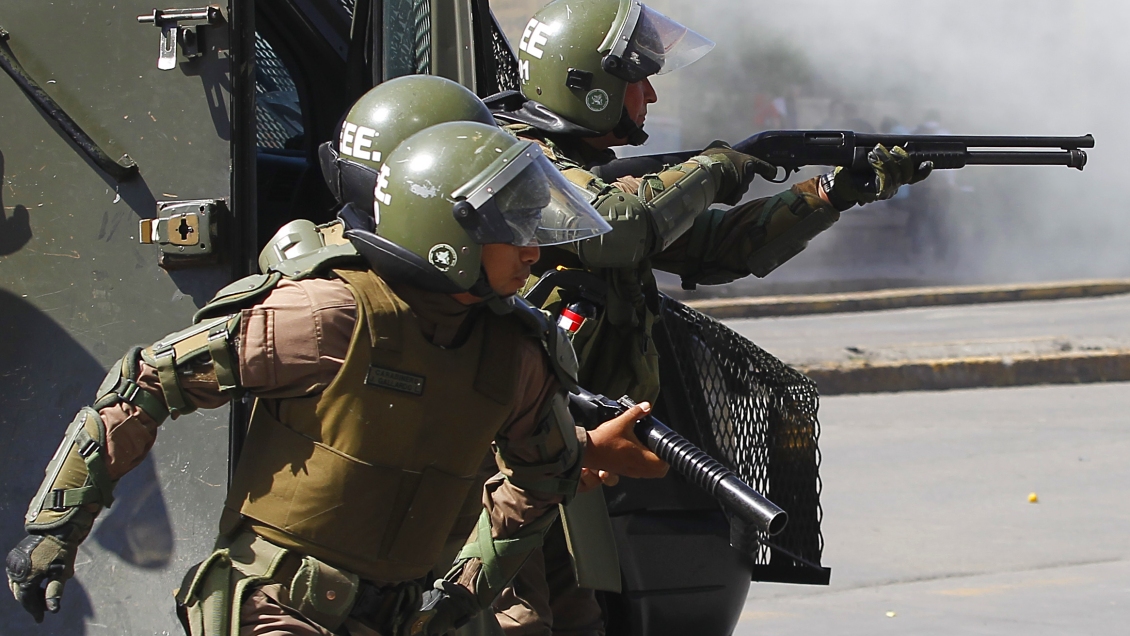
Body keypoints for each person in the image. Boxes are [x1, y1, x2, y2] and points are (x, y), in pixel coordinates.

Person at [5, 78, 669, 636]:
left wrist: (461, 595)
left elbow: (543, 477)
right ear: (450, 235)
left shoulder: (516, 352)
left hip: (404, 615)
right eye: (512, 228)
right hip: (279, 608)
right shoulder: (327, 315)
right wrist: (55, 529)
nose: (533, 250)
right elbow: (146, 382)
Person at [486, 0, 933, 634]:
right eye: (636, 80)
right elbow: (621, 226)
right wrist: (722, 166)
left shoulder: (582, 169)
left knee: (577, 619)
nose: (649, 96)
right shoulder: (522, 166)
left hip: (567, 459)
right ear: (587, 87)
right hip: (508, 462)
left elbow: (719, 248)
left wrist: (832, 192)